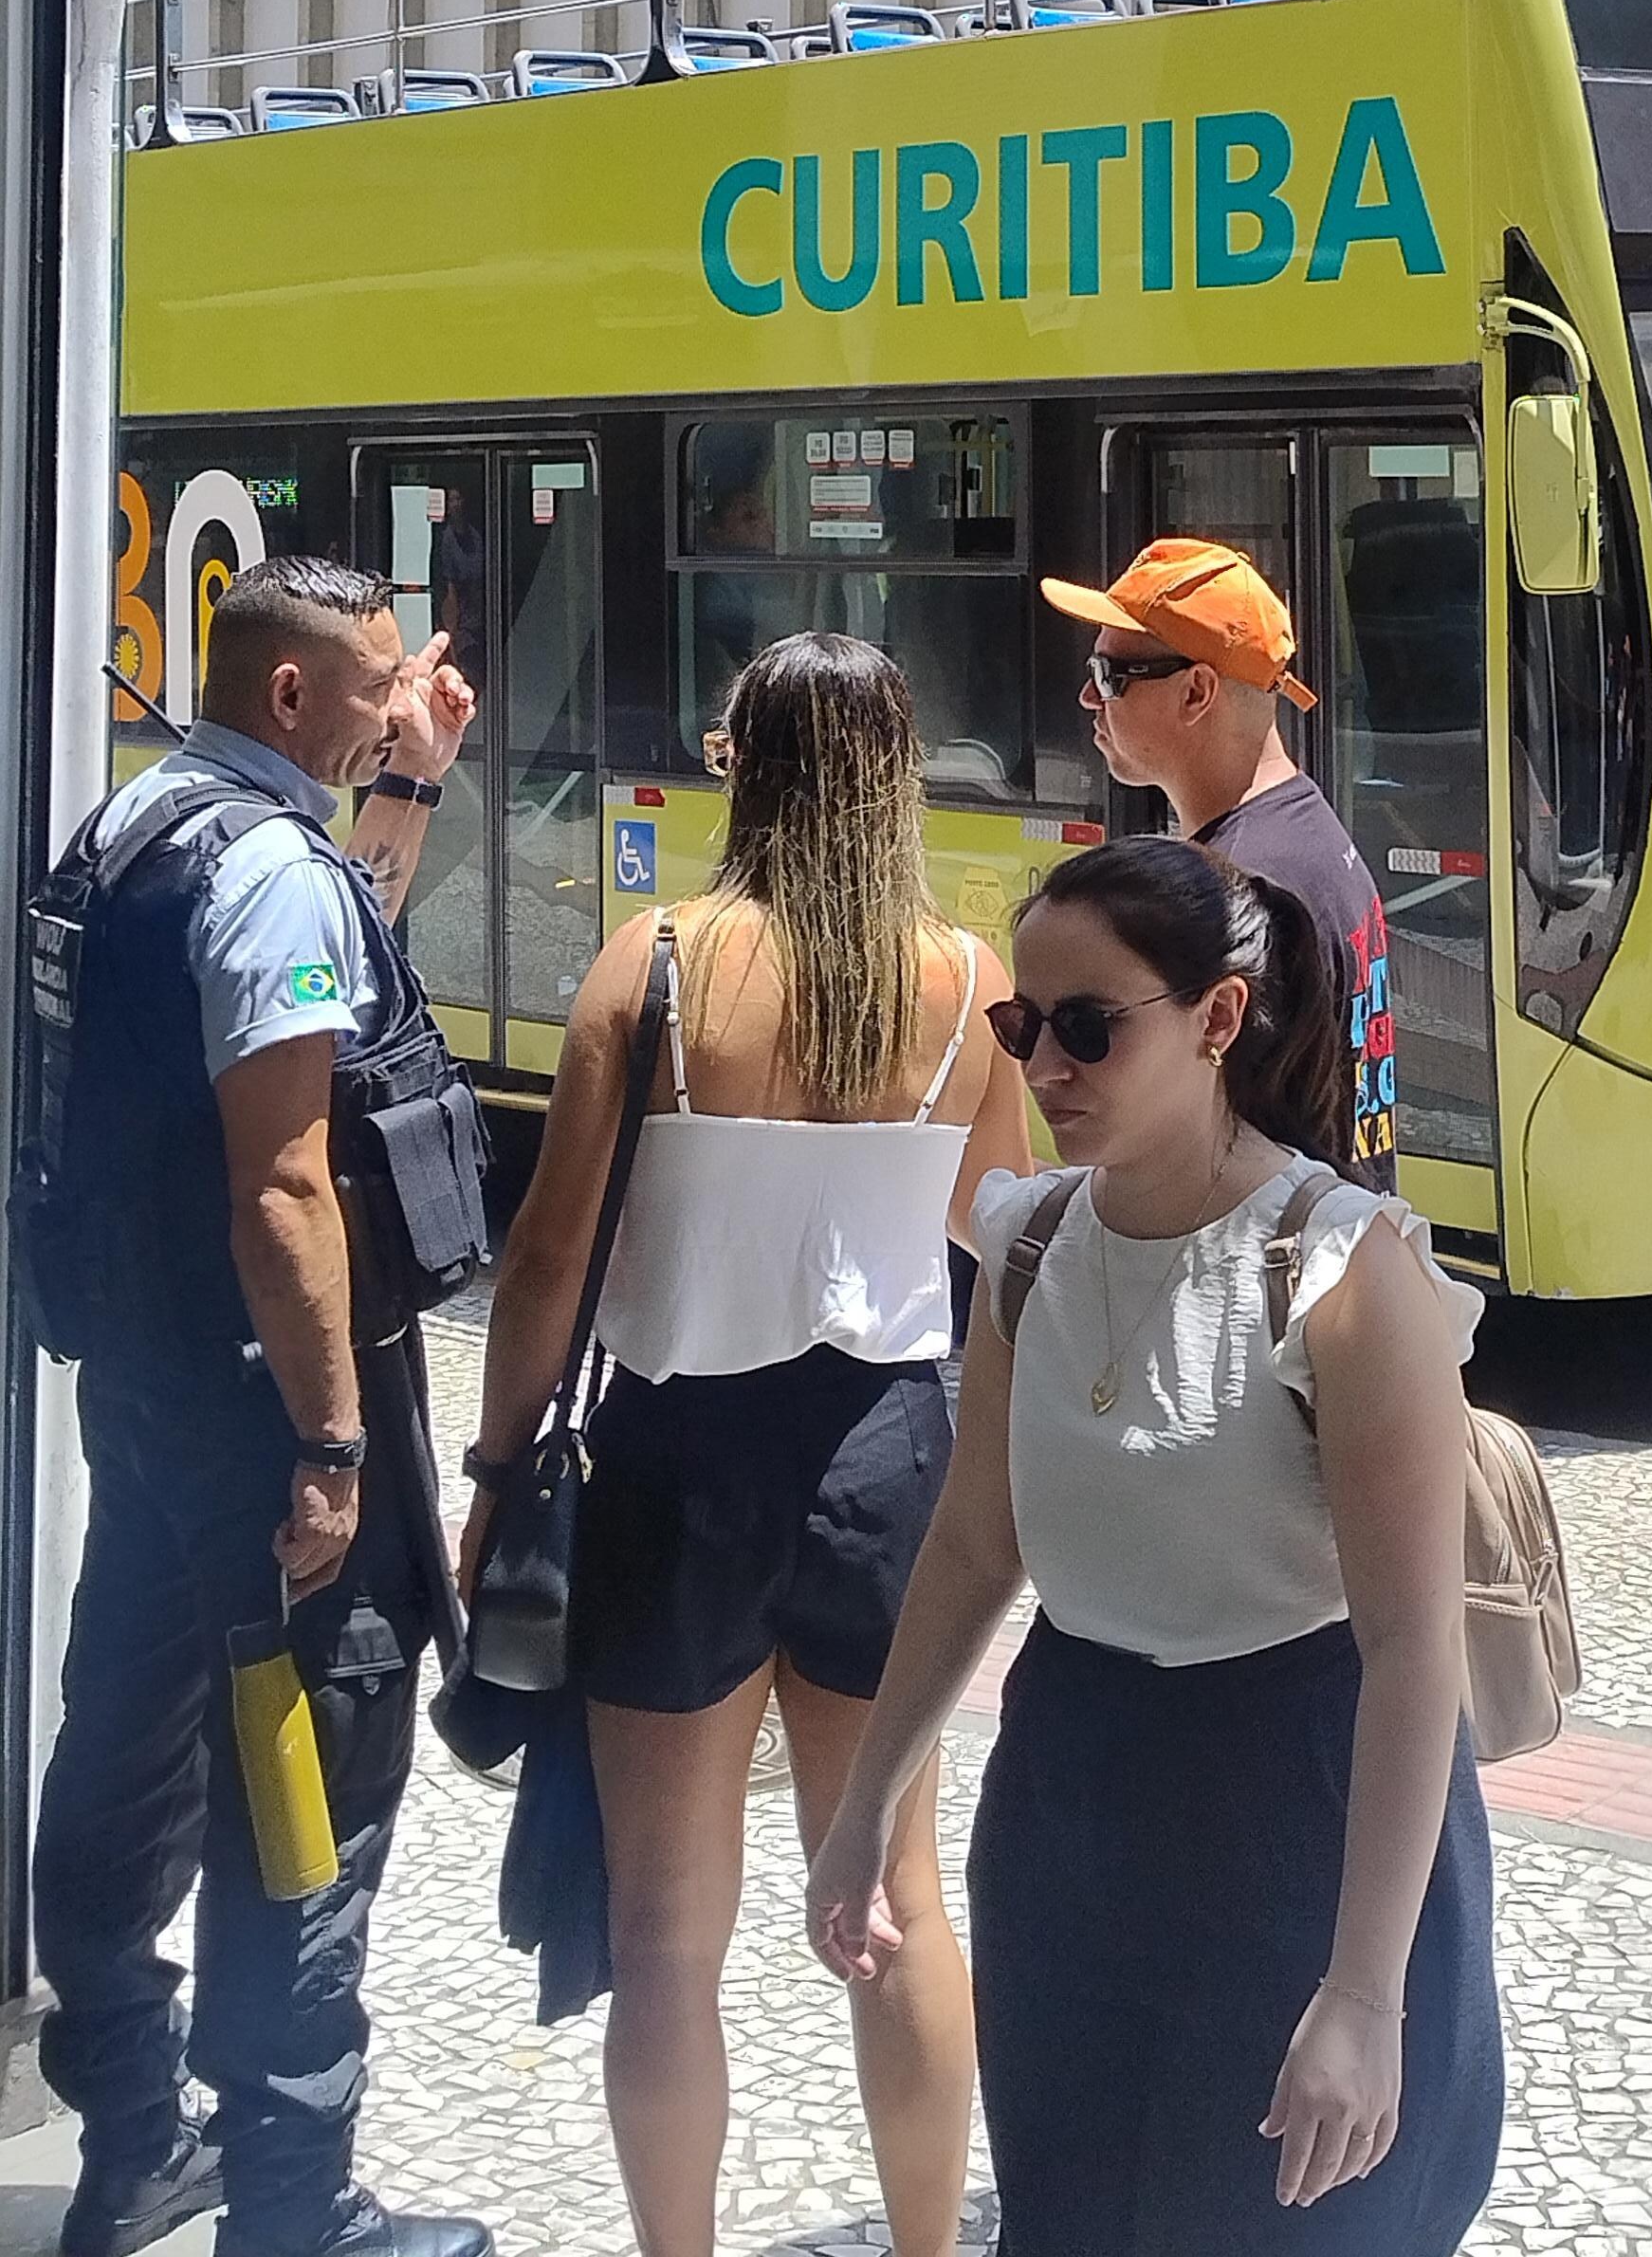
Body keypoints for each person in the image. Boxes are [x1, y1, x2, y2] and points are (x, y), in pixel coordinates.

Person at [803, 834, 1503, 2256]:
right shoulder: (1031, 1245)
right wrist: (866, 1808)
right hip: (1077, 1796)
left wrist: (1366, 1993)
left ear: (1217, 1020)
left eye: (1088, 1028)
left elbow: (1413, 1645)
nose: (1045, 1067)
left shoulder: (1343, 1268)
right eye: (1024, 1026)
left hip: (1300, 1800)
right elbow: (969, 1547)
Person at [460, 633, 1032, 2257]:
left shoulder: (652, 963)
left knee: (663, 1936)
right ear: (898, 774)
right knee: (899, 1907)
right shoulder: (963, 983)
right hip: (886, 1451)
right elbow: (989, 1240)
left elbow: (553, 1259)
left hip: (679, 1453)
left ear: (741, 764)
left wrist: (499, 1476)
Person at [28, 560, 488, 2257]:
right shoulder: (265, 869)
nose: (395, 704)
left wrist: (414, 779)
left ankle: (134, 2139)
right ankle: (296, 2213)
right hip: (267, 1426)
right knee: (309, 1802)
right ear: (290, 699)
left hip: (147, 1400)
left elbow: (322, 969)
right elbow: (287, 1175)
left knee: (123, 1757)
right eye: (375, 685)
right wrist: (336, 1448)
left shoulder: (140, 827)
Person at [1044, 539, 1398, 1187]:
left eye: (1107, 677)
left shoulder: (1240, 883)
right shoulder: (1303, 834)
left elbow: (1213, 1142)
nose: (1087, 700)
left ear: (1196, 692)